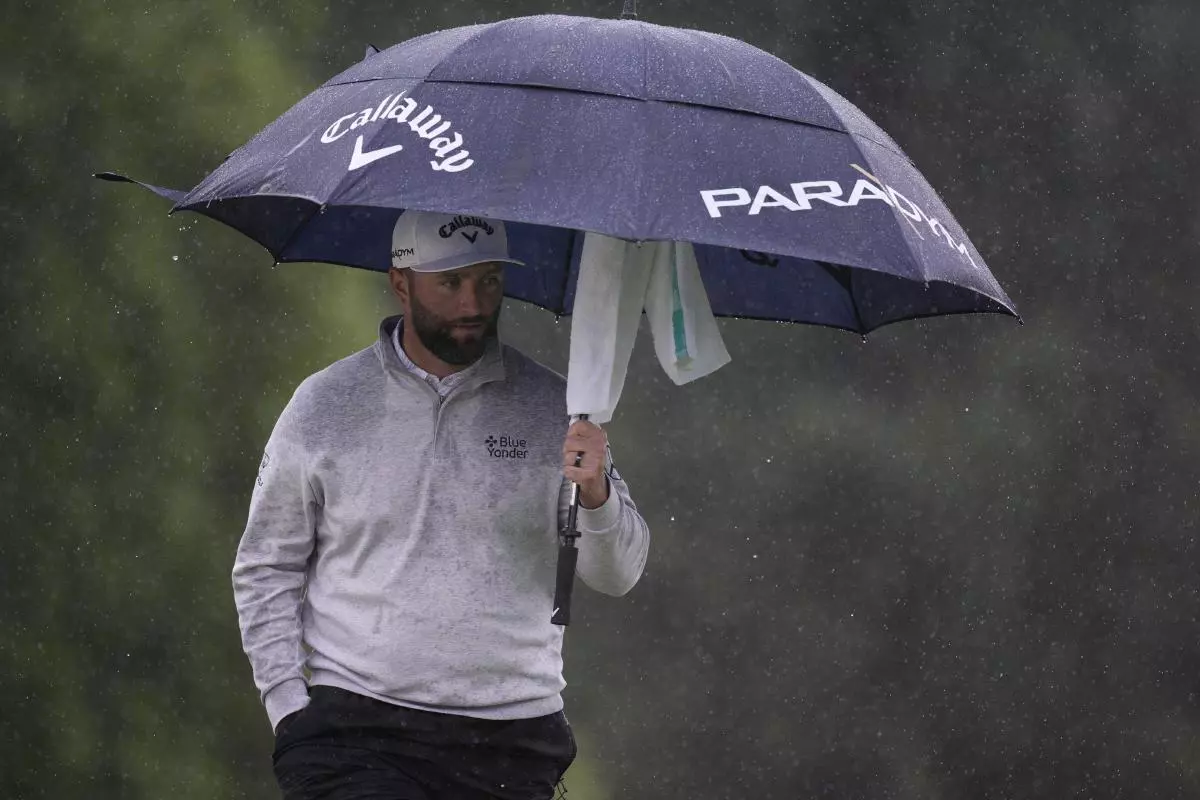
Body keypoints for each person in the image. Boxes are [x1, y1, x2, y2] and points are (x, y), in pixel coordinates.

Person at [232, 210, 651, 800]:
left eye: (488, 280)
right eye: (450, 282)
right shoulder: (323, 403)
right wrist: (286, 705)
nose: (472, 303)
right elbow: (267, 565)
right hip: (357, 732)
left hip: (513, 739)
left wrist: (596, 491)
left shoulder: (559, 409)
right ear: (400, 283)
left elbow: (618, 574)